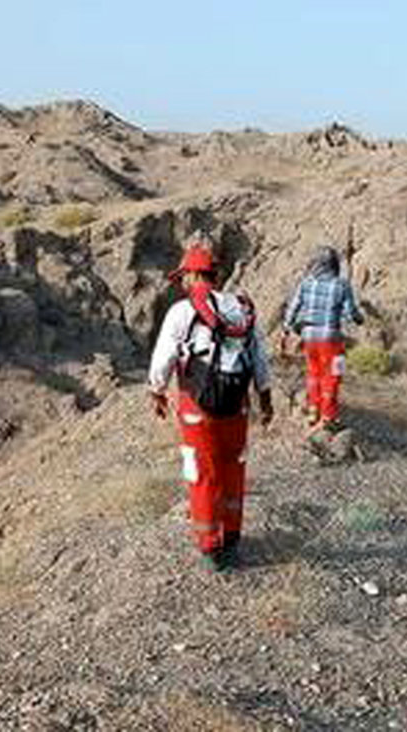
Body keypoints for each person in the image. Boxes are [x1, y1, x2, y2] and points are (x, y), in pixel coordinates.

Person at [148, 240, 274, 572]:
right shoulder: (240, 308)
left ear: (191, 275)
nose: (182, 283)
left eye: (183, 277)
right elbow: (259, 358)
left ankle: (210, 546)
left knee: (201, 473)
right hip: (238, 404)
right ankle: (232, 538)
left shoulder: (182, 311)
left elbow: (163, 358)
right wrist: (265, 398)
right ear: (215, 275)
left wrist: (156, 390)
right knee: (233, 468)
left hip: (197, 407)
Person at [282, 245, 364, 431]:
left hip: (309, 338)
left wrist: (286, 329)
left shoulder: (306, 283)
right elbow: (352, 313)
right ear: (334, 264)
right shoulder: (342, 284)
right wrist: (360, 319)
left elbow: (293, 308)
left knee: (313, 373)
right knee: (333, 375)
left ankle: (313, 410)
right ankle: (328, 416)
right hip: (332, 339)